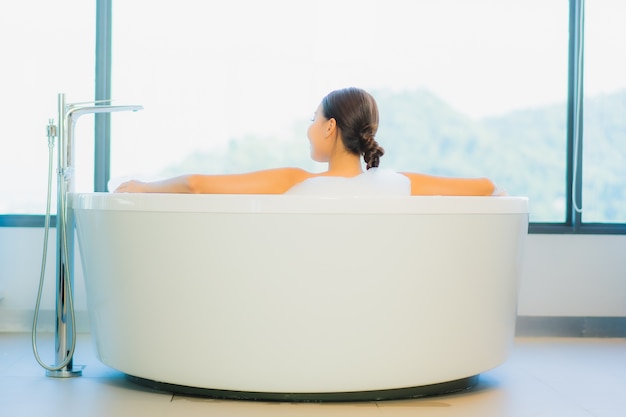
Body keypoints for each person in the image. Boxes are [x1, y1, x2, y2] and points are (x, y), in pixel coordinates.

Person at [114, 87, 496, 195]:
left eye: (313, 119)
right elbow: (486, 187)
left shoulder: (297, 182)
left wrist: (143, 187)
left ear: (330, 127)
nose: (308, 127)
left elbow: (196, 185)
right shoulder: (399, 184)